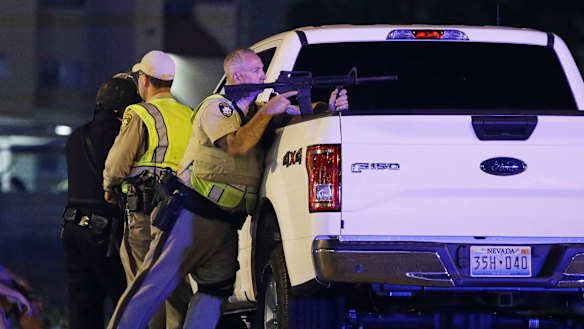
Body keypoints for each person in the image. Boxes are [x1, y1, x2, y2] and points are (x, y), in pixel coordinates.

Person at [106, 48, 348, 329]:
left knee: (215, 292)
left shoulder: (256, 113)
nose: (263, 75)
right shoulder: (216, 106)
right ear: (236, 75)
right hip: (190, 215)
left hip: (226, 224)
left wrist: (328, 108)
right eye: (256, 69)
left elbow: (299, 118)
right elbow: (236, 145)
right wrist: (269, 111)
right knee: (152, 286)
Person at [103, 50, 193, 329]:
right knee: (176, 286)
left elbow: (117, 164)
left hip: (147, 214)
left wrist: (109, 186)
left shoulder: (141, 113)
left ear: (144, 79)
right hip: (184, 214)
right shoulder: (188, 113)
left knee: (145, 285)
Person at [61, 76, 140, 329]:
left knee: (83, 306)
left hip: (72, 228)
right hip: (106, 233)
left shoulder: (76, 136)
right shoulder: (121, 137)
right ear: (124, 109)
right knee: (128, 302)